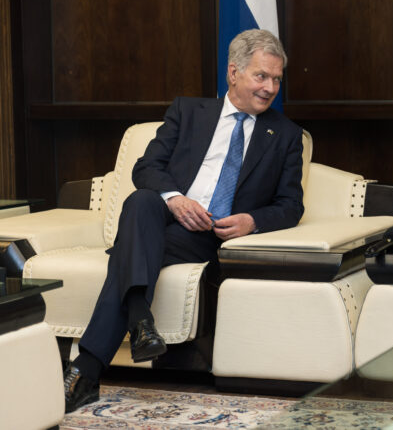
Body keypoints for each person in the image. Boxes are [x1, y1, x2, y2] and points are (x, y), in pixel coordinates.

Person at [63, 29, 305, 413]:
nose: (270, 87)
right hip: (162, 217)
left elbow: (291, 205)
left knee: (128, 252)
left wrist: (250, 221)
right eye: (262, 76)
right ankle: (136, 324)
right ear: (233, 73)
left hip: (209, 234)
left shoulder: (286, 135)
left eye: (277, 79)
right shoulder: (188, 111)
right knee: (142, 201)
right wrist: (176, 201)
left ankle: (87, 369)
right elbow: (147, 168)